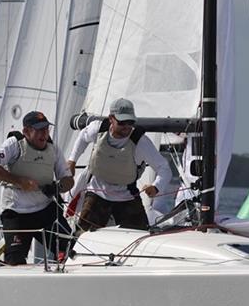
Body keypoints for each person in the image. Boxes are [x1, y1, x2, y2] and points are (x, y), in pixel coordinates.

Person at [67, 97, 171, 232]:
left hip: (126, 195)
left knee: (140, 237)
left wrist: (156, 187)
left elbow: (164, 168)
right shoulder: (98, 130)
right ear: (111, 119)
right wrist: (72, 160)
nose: (127, 127)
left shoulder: (141, 142)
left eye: (130, 122)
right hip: (97, 193)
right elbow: (82, 137)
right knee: (82, 236)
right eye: (122, 122)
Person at [0, 111, 74, 265]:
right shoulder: (14, 144)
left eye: (46, 129)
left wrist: (57, 187)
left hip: (45, 210)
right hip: (16, 212)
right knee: (15, 261)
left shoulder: (53, 150)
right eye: (39, 129)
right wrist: (19, 181)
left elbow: (68, 180)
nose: (44, 133)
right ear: (26, 131)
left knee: (72, 250)